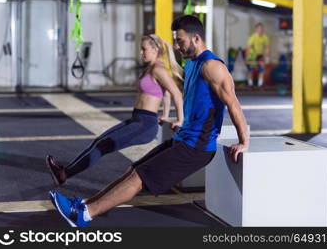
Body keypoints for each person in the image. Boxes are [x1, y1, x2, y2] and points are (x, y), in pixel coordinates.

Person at [49, 15, 249, 227]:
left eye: (180, 41)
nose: (177, 46)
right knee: (133, 170)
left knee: (139, 178)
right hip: (183, 139)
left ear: (196, 38)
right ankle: (83, 205)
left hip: (197, 147)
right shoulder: (192, 64)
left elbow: (233, 103)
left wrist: (244, 140)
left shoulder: (212, 66)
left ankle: (84, 214)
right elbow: (191, 98)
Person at [46, 34, 184, 185]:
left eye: (144, 49)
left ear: (155, 49)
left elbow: (176, 93)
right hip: (136, 119)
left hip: (145, 125)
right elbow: (165, 94)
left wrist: (179, 120)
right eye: (141, 49)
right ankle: (64, 171)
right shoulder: (150, 69)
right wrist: (164, 114)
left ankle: (64, 174)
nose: (141, 52)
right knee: (99, 141)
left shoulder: (158, 69)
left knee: (102, 146)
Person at [246, 23, 270, 87]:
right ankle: (250, 84)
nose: (260, 30)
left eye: (261, 29)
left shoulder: (265, 37)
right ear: (256, 29)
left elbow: (267, 47)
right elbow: (248, 47)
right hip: (252, 55)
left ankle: (260, 84)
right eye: (259, 29)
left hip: (260, 55)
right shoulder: (252, 37)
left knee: (262, 69)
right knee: (250, 70)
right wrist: (247, 57)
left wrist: (267, 56)